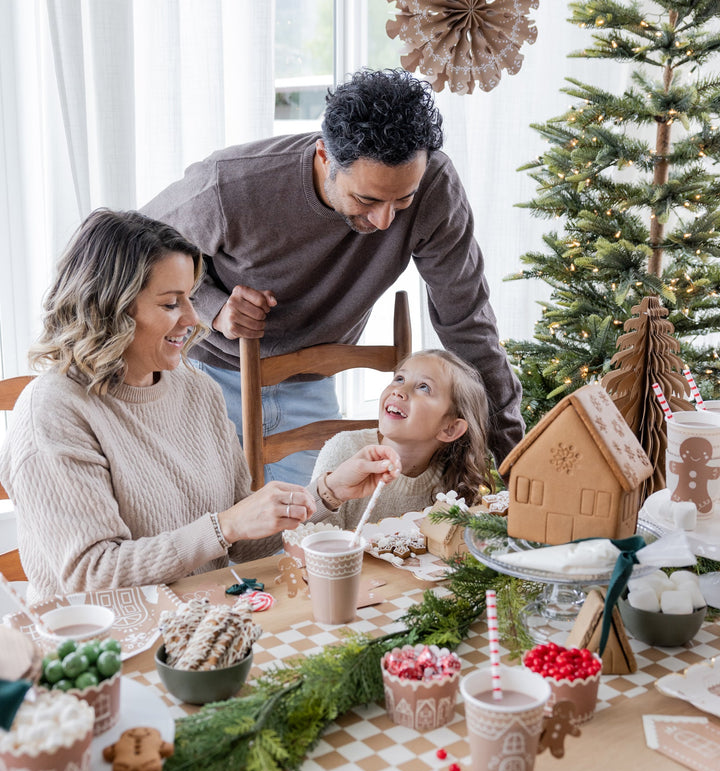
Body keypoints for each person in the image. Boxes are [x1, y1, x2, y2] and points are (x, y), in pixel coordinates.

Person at [141, 67, 524, 485]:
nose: (384, 222)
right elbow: (130, 255)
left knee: (317, 519)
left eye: (403, 201)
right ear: (325, 156)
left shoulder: (434, 186)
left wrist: (515, 463)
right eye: (367, 199)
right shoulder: (230, 183)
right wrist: (213, 308)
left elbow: (466, 319)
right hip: (205, 376)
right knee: (208, 516)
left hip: (311, 381)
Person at [0, 210, 400, 604]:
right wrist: (224, 527)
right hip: (100, 637)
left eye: (190, 299)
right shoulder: (54, 410)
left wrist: (328, 491)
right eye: (171, 304)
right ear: (109, 309)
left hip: (202, 619)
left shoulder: (197, 390)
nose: (194, 318)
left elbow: (244, 542)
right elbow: (90, 576)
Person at [309, 350, 494, 531]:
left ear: (450, 429)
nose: (399, 391)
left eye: (424, 387)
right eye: (399, 379)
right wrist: (331, 492)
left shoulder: (453, 484)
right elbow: (308, 538)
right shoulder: (344, 449)